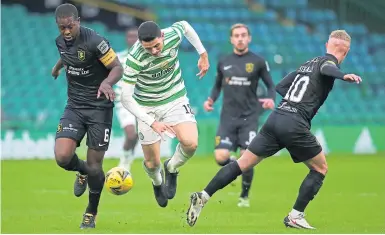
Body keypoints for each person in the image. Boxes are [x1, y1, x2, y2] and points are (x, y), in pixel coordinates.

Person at [186, 30, 362, 229]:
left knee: (242, 163)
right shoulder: (327, 64)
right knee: (320, 168)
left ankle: (204, 196)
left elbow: (280, 87)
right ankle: (295, 215)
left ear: (326, 45)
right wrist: (343, 75)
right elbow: (328, 68)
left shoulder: (308, 63)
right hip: (295, 123)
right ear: (345, 53)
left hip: (277, 117)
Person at [120, 21, 209, 208]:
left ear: (162, 36)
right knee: (152, 163)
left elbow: (184, 26)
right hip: (147, 107)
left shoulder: (172, 35)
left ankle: (172, 167)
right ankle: (157, 182)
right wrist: (151, 122)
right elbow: (126, 98)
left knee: (191, 143)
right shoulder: (135, 58)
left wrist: (202, 53)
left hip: (174, 98)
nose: (153, 51)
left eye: (156, 46)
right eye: (148, 48)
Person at [51, 3, 123, 229]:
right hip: (74, 106)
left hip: (100, 109)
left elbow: (118, 68)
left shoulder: (95, 41)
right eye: (62, 28)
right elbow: (69, 56)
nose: (66, 32)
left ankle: (91, 211)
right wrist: (57, 67)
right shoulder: (60, 41)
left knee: (95, 166)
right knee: (63, 157)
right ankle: (80, 171)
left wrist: (106, 82)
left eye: (70, 27)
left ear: (78, 21)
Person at [203, 23, 275, 208]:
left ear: (249, 38)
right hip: (227, 117)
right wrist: (210, 99)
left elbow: (270, 85)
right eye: (237, 35)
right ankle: (233, 164)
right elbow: (218, 85)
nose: (240, 38)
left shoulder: (258, 61)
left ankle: (244, 196)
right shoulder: (223, 61)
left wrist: (270, 98)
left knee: (248, 158)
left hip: (249, 118)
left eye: (244, 35)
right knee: (220, 157)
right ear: (231, 39)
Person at [115, 27, 139, 170]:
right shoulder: (118, 58)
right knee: (131, 135)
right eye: (130, 36)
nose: (132, 39)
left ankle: (129, 157)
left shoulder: (149, 58)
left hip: (144, 103)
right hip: (124, 102)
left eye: (135, 36)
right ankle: (124, 161)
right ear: (126, 39)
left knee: (137, 136)